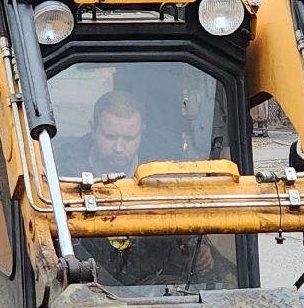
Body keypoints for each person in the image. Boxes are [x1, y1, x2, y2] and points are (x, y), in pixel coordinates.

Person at [58, 90, 220, 286]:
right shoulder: (61, 175)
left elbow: (184, 225)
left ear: (141, 132)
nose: (119, 147)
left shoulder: (163, 174)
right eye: (110, 137)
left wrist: (198, 252)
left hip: (156, 286)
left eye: (129, 139)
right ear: (93, 130)